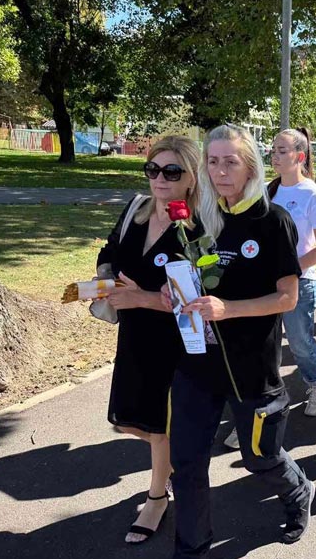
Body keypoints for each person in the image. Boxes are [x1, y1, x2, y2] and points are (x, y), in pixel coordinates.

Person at [168, 124, 315, 557]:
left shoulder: (273, 221)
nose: (220, 171)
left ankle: (298, 491)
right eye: (213, 162)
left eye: (230, 162)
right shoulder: (200, 219)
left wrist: (227, 309)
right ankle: (192, 549)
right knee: (187, 462)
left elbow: (288, 298)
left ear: (250, 166)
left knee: (260, 458)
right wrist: (174, 290)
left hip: (251, 368)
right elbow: (190, 275)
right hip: (198, 364)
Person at [95, 135, 202, 544]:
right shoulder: (135, 211)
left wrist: (141, 296)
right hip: (134, 334)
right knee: (132, 421)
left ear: (191, 178)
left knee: (159, 426)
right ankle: (169, 466)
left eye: (172, 171)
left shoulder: (199, 228)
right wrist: (104, 281)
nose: (160, 178)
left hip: (174, 343)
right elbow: (109, 252)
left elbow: (194, 300)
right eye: (153, 169)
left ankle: (157, 497)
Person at [268, 127, 316, 416]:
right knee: (266, 345)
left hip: (300, 283)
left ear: (300, 156)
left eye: (282, 151)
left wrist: (290, 271)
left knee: (300, 343)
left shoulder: (314, 195)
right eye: (273, 150)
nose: (275, 156)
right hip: (265, 284)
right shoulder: (267, 191)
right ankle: (266, 398)